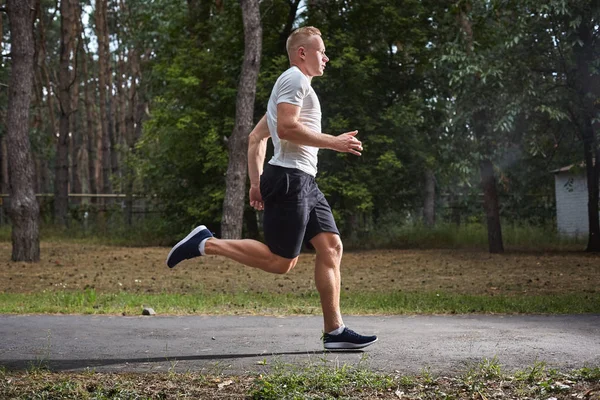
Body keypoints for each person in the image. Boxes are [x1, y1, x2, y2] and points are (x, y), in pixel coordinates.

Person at [166, 26, 377, 350]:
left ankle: (334, 331)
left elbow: (256, 137)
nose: (326, 57)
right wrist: (334, 143)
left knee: (331, 247)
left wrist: (255, 184)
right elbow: (288, 128)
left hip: (301, 179)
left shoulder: (294, 86)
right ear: (302, 53)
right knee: (281, 262)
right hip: (291, 179)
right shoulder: (294, 80)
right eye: (321, 51)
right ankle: (207, 243)